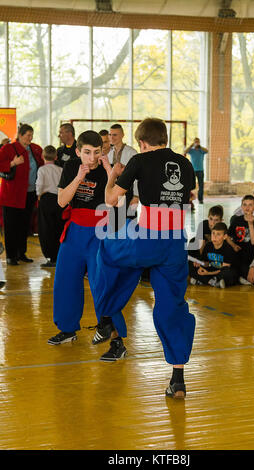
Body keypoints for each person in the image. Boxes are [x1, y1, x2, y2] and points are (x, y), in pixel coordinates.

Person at [94, 118, 196, 399]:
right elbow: (182, 199)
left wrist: (112, 174)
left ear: (141, 142)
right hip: (175, 242)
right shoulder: (185, 164)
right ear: (165, 137)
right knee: (172, 305)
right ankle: (178, 379)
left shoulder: (139, 160)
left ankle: (106, 316)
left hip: (147, 236)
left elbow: (112, 201)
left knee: (107, 249)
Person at [47, 130, 112, 345]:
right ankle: (67, 329)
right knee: (65, 280)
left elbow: (115, 204)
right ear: (78, 151)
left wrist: (111, 173)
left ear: (102, 151)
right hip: (75, 230)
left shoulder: (105, 170)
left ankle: (108, 329)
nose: (92, 158)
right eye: (86, 152)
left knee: (100, 282)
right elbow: (61, 201)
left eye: (96, 152)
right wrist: (78, 178)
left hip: (99, 230)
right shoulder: (71, 166)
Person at [0, 123, 43, 265]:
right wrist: (12, 163)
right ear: (20, 135)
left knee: (24, 225)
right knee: (11, 225)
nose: (30, 138)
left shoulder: (34, 149)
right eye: (27, 135)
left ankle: (21, 253)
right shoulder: (8, 148)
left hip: (29, 193)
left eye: (32, 135)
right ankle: (11, 255)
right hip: (12, 194)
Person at [36, 145, 64, 267]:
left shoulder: (42, 169)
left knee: (46, 229)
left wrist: (38, 195)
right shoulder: (60, 169)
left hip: (46, 199)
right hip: (59, 200)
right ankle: (59, 255)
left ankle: (51, 257)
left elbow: (39, 185)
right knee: (59, 228)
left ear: (42, 156)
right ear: (56, 156)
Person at [190, 222, 238, 288]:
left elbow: (225, 268)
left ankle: (204, 280)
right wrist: (200, 264)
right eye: (213, 233)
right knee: (191, 265)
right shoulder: (208, 245)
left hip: (220, 272)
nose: (214, 237)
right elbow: (206, 263)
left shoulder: (228, 249)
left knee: (229, 273)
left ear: (225, 236)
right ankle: (214, 282)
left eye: (218, 234)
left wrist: (208, 273)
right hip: (211, 269)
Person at [228, 195, 254, 285]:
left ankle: (243, 276)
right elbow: (227, 236)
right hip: (237, 253)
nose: (247, 207)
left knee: (245, 268)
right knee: (232, 268)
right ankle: (240, 277)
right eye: (245, 204)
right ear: (241, 206)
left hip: (251, 254)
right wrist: (233, 245)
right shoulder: (236, 220)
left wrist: (250, 224)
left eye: (250, 205)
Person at [188, 205, 223, 283]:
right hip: (202, 253)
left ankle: (201, 278)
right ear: (208, 217)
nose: (213, 223)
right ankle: (202, 276)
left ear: (221, 220)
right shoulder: (203, 225)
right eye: (211, 219)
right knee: (192, 242)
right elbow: (201, 247)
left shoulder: (222, 228)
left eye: (216, 220)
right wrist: (199, 262)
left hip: (213, 256)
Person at [185, 137, 208, 204]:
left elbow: (207, 151)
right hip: (193, 170)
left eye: (197, 141)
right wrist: (191, 145)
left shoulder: (201, 150)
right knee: (190, 185)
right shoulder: (191, 150)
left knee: (201, 186)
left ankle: (200, 199)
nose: (196, 143)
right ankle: (189, 198)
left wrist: (200, 146)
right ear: (194, 142)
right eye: (195, 141)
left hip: (200, 170)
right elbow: (185, 151)